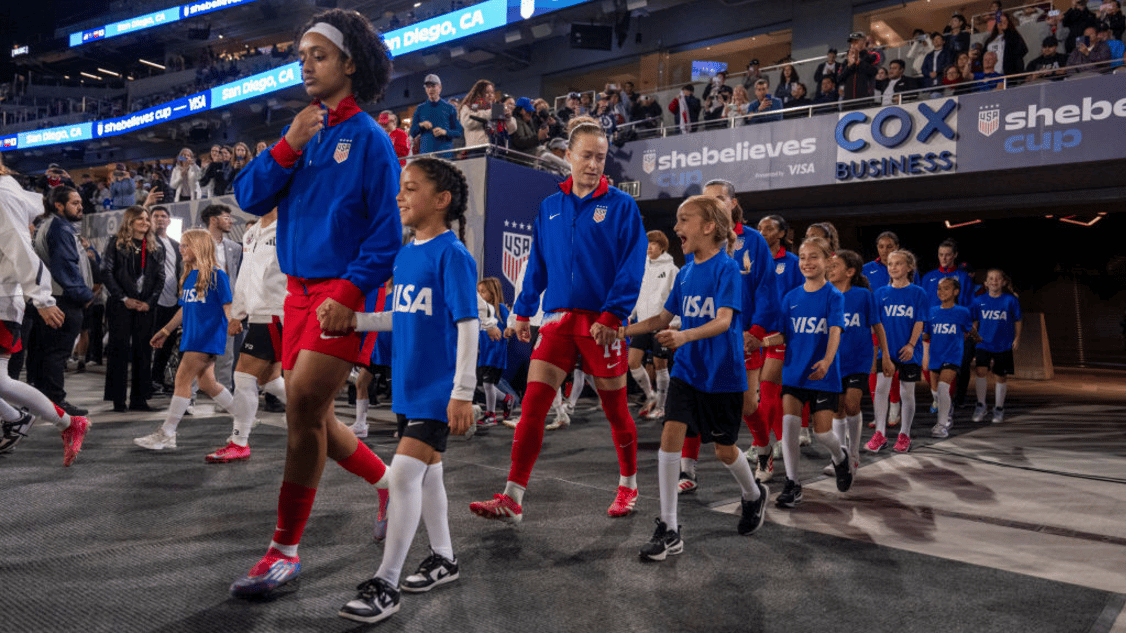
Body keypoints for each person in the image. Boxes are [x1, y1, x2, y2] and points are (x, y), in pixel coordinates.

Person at [230, 9, 400, 599]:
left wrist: (349, 296)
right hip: (294, 295)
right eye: (301, 55)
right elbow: (248, 198)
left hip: (341, 296)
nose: (305, 65)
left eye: (318, 55)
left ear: (349, 63)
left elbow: (386, 238)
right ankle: (388, 485)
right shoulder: (300, 131)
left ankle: (283, 551)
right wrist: (287, 144)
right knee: (319, 417)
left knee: (302, 409)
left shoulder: (373, 140)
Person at [468, 116, 646, 524]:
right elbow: (538, 267)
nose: (594, 164)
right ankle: (513, 497)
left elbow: (631, 268)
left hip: (602, 324)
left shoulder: (621, 206)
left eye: (601, 157)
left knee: (616, 410)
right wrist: (524, 312)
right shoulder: (550, 207)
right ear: (568, 156)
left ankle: (629, 485)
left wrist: (613, 314)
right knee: (532, 407)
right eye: (586, 156)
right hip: (559, 320)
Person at [337, 157, 477, 624]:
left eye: (411, 188)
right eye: (401, 187)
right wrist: (354, 321)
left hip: (438, 389)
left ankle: (387, 582)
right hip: (409, 387)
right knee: (429, 475)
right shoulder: (406, 252)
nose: (400, 196)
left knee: (401, 477)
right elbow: (404, 315)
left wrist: (463, 391)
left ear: (441, 200)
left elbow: (468, 324)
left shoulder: (452, 253)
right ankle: (444, 557)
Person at [624, 196, 768, 561]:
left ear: (708, 227)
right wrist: (621, 331)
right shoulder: (685, 272)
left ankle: (753, 494)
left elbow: (723, 321)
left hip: (722, 374)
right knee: (671, 434)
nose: (676, 228)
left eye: (684, 220)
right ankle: (669, 528)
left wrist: (684, 335)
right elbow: (660, 319)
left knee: (724, 450)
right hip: (688, 370)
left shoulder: (727, 268)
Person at [688, 181, 777, 492]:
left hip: (742, 338)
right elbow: (691, 289)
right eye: (706, 199)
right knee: (691, 399)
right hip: (705, 335)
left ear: (733, 203)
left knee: (746, 405)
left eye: (719, 198)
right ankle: (688, 470)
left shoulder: (754, 241)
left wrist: (756, 331)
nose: (713, 203)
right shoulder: (696, 242)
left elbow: (766, 288)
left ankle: (764, 450)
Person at [0, 156, 90, 465]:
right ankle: (28, 419)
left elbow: (20, 249)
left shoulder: (2, 196)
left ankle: (43, 420)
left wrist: (43, 299)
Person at [754, 236, 849, 508]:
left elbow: (834, 331)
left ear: (828, 261)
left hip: (823, 375)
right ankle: (793, 484)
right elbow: (783, 335)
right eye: (803, 257)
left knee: (822, 434)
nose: (807, 262)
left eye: (813, 257)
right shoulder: (790, 297)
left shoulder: (834, 295)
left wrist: (828, 361)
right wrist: (759, 341)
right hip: (794, 374)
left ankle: (840, 456)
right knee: (790, 429)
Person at [136, 229, 237, 451]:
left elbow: (227, 306)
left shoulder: (217, 275)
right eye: (181, 245)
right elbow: (183, 310)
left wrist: (231, 323)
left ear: (199, 247)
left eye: (185, 245)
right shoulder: (191, 276)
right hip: (193, 337)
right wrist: (165, 331)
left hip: (206, 337)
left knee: (181, 380)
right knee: (207, 384)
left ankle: (167, 433)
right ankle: (245, 418)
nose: (181, 249)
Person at [209, 208, 289, 462]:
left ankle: (239, 441)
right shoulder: (251, 233)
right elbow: (245, 276)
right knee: (270, 379)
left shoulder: (290, 226)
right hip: (257, 313)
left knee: (243, 375)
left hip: (276, 312)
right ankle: (317, 414)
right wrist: (238, 313)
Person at [822, 250, 891, 479]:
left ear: (850, 272)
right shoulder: (826, 295)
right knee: (838, 410)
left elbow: (878, 326)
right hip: (834, 360)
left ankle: (852, 454)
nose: (830, 269)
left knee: (852, 404)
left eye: (835, 266)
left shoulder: (863, 295)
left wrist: (886, 357)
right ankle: (839, 458)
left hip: (858, 360)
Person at [30, 186, 91, 417]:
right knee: (56, 354)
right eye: (75, 202)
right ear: (59, 205)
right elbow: (64, 267)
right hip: (63, 299)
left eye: (80, 202)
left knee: (44, 353)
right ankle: (56, 402)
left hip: (53, 298)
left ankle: (40, 401)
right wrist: (84, 295)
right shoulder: (59, 227)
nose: (80, 206)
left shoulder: (50, 225)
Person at [101, 205, 165, 412]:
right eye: (140, 219)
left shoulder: (156, 246)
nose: (145, 223)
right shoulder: (116, 243)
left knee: (143, 352)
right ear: (130, 222)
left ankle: (140, 399)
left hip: (145, 306)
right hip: (121, 305)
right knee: (118, 350)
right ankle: (118, 400)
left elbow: (160, 278)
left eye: (147, 219)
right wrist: (123, 298)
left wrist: (150, 302)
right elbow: (106, 272)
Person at [753, 214, 803, 480]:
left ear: (782, 234)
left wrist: (787, 333)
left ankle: (765, 453)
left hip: (780, 337)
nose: (762, 232)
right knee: (761, 397)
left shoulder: (793, 263)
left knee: (768, 392)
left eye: (769, 228)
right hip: (753, 336)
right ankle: (775, 443)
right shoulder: (751, 261)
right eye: (759, 227)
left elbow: (798, 300)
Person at [866, 249, 927, 454]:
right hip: (887, 352)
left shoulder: (918, 293)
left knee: (906, 392)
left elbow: (919, 321)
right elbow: (876, 324)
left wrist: (911, 345)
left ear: (909, 267)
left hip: (909, 352)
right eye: (890, 264)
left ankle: (904, 435)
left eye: (898, 264)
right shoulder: (881, 294)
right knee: (881, 390)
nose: (893, 267)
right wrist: (881, 351)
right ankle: (880, 434)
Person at [629, 230, 679, 421]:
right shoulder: (642, 267)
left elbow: (677, 298)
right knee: (632, 362)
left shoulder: (672, 270)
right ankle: (651, 395)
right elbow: (638, 295)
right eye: (647, 243)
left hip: (662, 324)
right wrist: (630, 314)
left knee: (660, 367)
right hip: (642, 323)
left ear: (662, 246)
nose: (649, 247)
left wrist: (674, 323)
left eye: (653, 244)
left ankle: (662, 406)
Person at [926, 277, 975, 438]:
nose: (941, 292)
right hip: (935, 356)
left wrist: (979, 338)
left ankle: (942, 425)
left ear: (956, 292)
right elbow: (926, 333)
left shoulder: (962, 312)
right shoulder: (932, 311)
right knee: (935, 391)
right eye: (939, 288)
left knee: (943, 388)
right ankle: (947, 409)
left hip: (952, 355)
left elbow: (970, 329)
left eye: (946, 288)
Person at [200, 204, 242, 392]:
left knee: (227, 355)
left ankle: (224, 395)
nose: (231, 221)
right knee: (198, 354)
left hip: (227, 306)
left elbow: (237, 277)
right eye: (226, 217)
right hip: (202, 305)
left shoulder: (234, 247)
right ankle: (189, 397)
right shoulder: (196, 243)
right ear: (213, 220)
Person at [971, 269, 1022, 424]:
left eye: (998, 279)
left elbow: (1018, 320)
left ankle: (999, 409)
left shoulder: (1010, 300)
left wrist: (1017, 338)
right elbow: (974, 321)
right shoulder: (978, 301)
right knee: (980, 371)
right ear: (986, 283)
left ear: (1003, 282)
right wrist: (974, 337)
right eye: (991, 279)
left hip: (1003, 344)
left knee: (1000, 376)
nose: (994, 281)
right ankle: (981, 405)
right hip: (983, 343)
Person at [149, 206, 183, 392]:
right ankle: (147, 380)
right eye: (156, 216)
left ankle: (158, 378)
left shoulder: (177, 245)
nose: (160, 219)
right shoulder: (147, 241)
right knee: (150, 341)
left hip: (173, 301)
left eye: (164, 216)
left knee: (167, 342)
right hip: (153, 301)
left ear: (169, 221)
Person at [477, 276, 514, 426]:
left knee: (487, 384)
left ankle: (490, 414)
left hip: (495, 354)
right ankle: (506, 399)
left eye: (483, 292)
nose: (479, 295)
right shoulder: (480, 311)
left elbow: (511, 324)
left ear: (492, 293)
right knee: (481, 385)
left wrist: (509, 330)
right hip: (483, 355)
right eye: (478, 292)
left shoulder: (500, 308)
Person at [409, 74, 463, 154]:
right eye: (428, 87)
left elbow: (459, 131)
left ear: (440, 87)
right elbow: (412, 132)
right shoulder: (420, 108)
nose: (430, 89)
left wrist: (445, 132)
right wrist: (421, 125)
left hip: (445, 155)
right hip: (426, 155)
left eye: (433, 86)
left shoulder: (450, 108)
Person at [459, 80, 514, 147]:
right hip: (478, 148)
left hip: (498, 147)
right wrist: (493, 112)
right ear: (479, 93)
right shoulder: (469, 107)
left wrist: (508, 118)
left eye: (492, 92)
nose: (490, 95)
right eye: (487, 92)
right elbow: (467, 122)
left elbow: (511, 129)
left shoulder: (496, 107)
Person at [984, 12, 1029, 77]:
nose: (1002, 24)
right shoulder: (990, 40)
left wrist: (1006, 31)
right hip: (991, 73)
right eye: (1000, 21)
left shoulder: (1014, 36)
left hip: (1008, 73)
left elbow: (1022, 50)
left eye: (1004, 22)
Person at [839, 32, 879, 102]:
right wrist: (849, 66)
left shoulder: (872, 56)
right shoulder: (846, 61)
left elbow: (874, 72)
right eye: (852, 42)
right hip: (848, 101)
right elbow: (839, 79)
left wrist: (859, 62)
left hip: (865, 99)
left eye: (856, 42)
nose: (853, 44)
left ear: (864, 42)